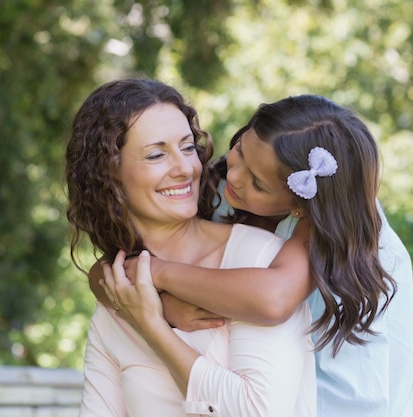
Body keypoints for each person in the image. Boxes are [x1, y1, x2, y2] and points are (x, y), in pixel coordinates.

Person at [95, 94, 413, 417]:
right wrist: (160, 304)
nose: (233, 176)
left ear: (300, 204)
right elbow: (107, 271)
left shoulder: (333, 220)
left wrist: (158, 276)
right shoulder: (230, 188)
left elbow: (273, 299)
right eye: (239, 151)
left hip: (343, 401)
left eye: (258, 183)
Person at [66, 78, 316, 417]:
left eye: (187, 147)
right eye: (156, 155)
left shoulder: (258, 260)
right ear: (108, 175)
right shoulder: (118, 292)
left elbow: (260, 411)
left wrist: (151, 326)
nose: (185, 168)